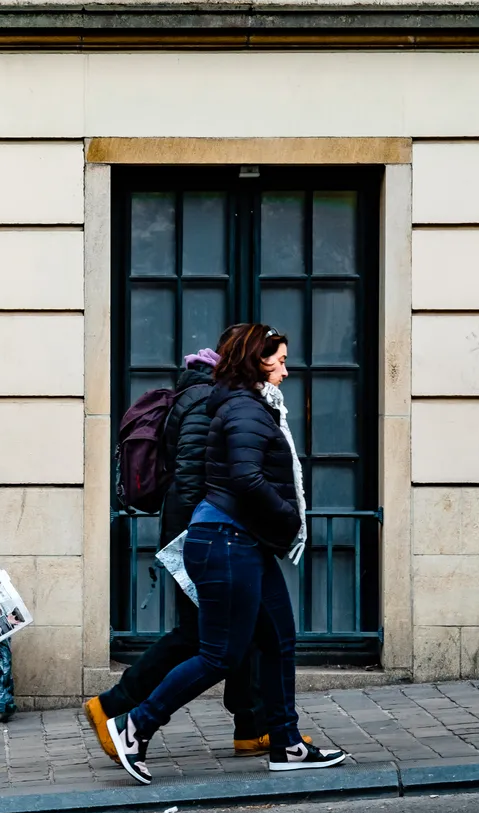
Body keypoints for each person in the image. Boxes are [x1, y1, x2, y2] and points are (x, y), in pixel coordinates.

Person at [107, 324, 347, 782]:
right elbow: (246, 478)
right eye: (278, 361)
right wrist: (289, 518)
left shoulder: (247, 406)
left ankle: (287, 744)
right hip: (226, 542)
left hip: (243, 542)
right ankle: (135, 724)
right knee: (219, 654)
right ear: (257, 362)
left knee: (279, 641)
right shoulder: (243, 410)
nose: (286, 371)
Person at [85, 326, 273, 758]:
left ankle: (251, 724)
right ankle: (117, 707)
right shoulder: (207, 400)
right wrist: (203, 542)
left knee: (237, 631)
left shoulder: (203, 394)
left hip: (200, 533)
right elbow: (191, 477)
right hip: (201, 536)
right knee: (201, 635)